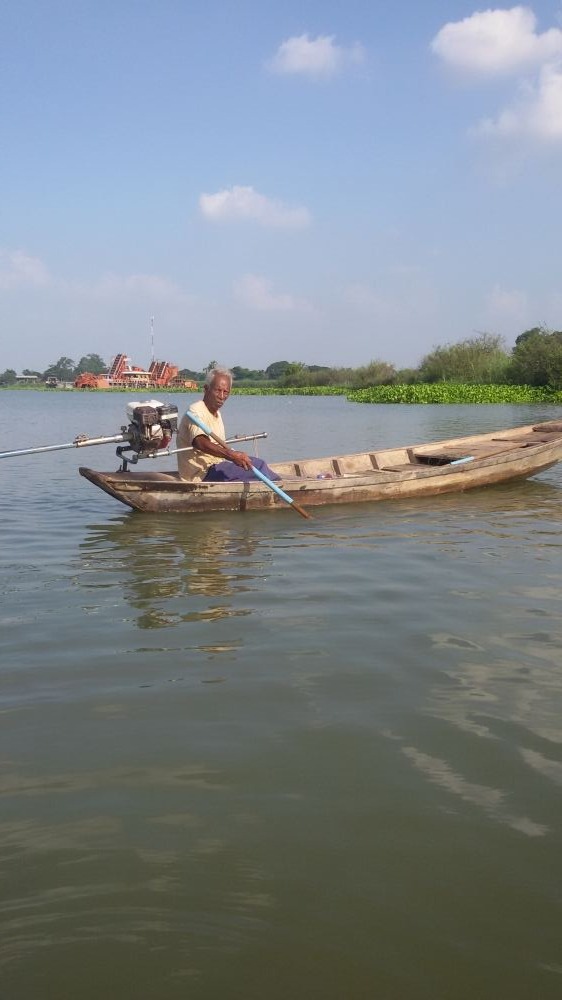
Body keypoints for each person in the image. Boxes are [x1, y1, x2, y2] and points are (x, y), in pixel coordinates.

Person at [177, 367, 281, 482]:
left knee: (258, 464)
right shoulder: (196, 410)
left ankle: (280, 484)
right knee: (259, 468)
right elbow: (200, 442)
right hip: (202, 474)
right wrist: (231, 455)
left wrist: (232, 457)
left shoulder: (217, 414)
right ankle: (279, 486)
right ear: (206, 389)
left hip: (218, 466)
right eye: (218, 390)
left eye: (225, 392)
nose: (222, 396)